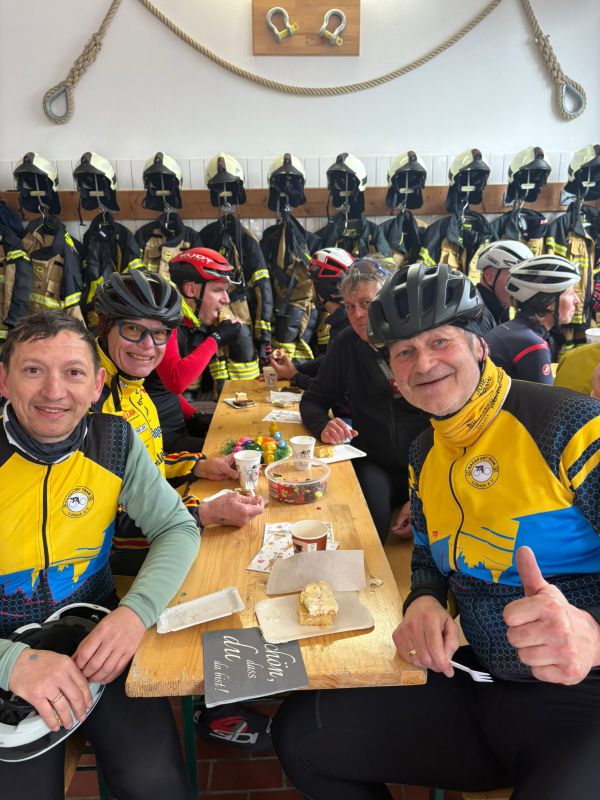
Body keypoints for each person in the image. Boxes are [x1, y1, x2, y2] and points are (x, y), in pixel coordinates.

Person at [272, 262, 600, 800]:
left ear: (479, 346)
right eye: (404, 352)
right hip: (483, 685)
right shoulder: (425, 451)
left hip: (585, 696)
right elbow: (427, 553)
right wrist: (424, 600)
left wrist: (593, 636)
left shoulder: (570, 425)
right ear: (393, 373)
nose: (423, 363)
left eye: (440, 341)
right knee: (302, 733)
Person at [0, 311, 198, 800]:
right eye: (33, 370)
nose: (53, 391)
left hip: (97, 635)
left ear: (96, 385)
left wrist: (135, 614)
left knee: (156, 784)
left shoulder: (113, 439)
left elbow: (176, 527)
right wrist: (10, 662)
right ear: (4, 380)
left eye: (72, 372)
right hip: (6, 660)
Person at [92, 270, 264, 573]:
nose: (148, 345)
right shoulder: (90, 404)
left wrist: (197, 465)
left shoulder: (132, 387)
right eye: (133, 328)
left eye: (160, 333)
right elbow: (104, 529)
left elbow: (146, 468)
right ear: (106, 328)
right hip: (118, 566)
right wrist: (204, 513)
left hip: (160, 530)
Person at [299, 261, 429, 542]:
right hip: (374, 463)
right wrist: (323, 426)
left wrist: (424, 497)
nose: (357, 314)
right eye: (349, 306)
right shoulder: (347, 343)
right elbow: (313, 400)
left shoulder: (420, 341)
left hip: (429, 466)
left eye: (366, 303)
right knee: (367, 534)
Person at [145, 247, 242, 451]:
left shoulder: (186, 322)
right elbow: (176, 381)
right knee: (233, 455)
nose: (226, 299)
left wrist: (193, 415)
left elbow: (161, 387)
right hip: (158, 438)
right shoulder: (167, 323)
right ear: (190, 290)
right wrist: (216, 339)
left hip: (176, 425)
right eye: (218, 290)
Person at [267, 247, 354, 389]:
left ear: (320, 289)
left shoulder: (346, 330)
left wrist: (295, 376)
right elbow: (330, 360)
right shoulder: (345, 321)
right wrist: (295, 369)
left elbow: (332, 389)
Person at [484, 254, 580, 383]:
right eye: (570, 293)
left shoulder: (509, 329)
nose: (577, 300)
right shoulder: (533, 345)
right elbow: (545, 396)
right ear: (548, 301)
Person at [474, 239, 533, 334]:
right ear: (490, 277)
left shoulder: (500, 310)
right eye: (515, 277)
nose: (522, 285)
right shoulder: (476, 317)